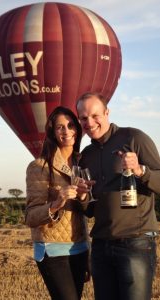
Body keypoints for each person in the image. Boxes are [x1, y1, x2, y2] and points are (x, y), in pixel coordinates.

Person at [76, 92, 160, 300]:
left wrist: (141, 170)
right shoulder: (86, 156)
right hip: (101, 246)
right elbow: (90, 211)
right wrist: (82, 197)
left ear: (107, 112)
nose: (90, 122)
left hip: (135, 242)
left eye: (95, 115)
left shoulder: (133, 138)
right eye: (83, 118)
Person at [25, 106, 90, 300]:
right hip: (53, 249)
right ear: (53, 132)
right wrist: (57, 202)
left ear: (78, 129)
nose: (67, 131)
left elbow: (87, 211)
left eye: (71, 125)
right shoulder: (39, 166)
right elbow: (30, 217)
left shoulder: (83, 163)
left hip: (80, 247)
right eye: (60, 127)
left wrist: (84, 196)